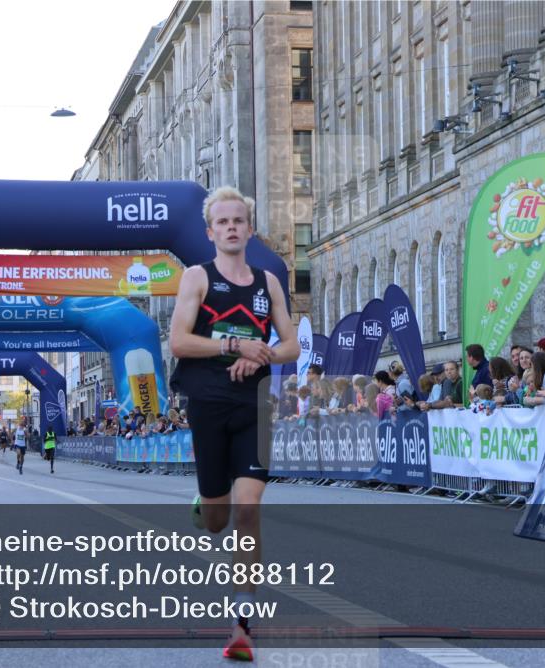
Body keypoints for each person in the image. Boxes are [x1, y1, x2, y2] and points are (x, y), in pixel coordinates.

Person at [168, 185, 299, 661]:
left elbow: (291, 345)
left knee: (248, 509)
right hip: (208, 402)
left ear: (249, 228)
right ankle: (206, 497)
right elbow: (179, 342)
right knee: (217, 521)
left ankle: (242, 623)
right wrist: (232, 346)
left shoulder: (268, 282)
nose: (230, 228)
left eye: (238, 221)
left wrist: (261, 351)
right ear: (210, 232)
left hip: (254, 405)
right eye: (222, 222)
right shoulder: (195, 278)